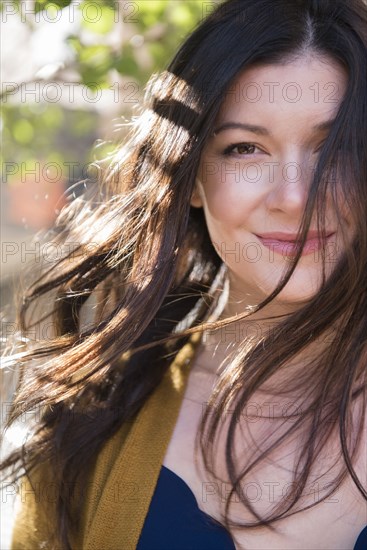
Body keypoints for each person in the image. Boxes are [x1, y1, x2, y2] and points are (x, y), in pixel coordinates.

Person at [1, 0, 366, 548]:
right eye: (246, 149)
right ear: (191, 177)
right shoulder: (91, 422)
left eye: (334, 149)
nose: (295, 197)